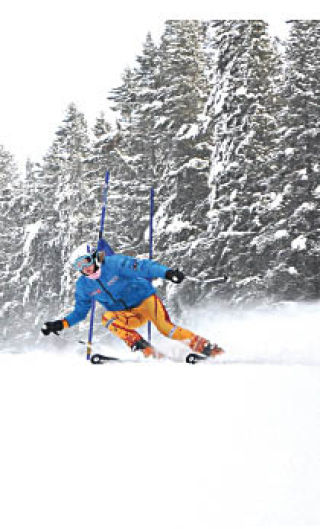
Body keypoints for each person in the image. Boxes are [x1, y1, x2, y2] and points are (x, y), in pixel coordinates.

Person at [41, 241, 224, 358]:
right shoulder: (84, 285)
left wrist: (166, 273)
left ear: (95, 257)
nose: (85, 268)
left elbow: (143, 267)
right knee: (107, 318)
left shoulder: (113, 264)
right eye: (79, 266)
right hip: (126, 314)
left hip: (145, 301)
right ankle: (146, 350)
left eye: (86, 261)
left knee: (165, 328)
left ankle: (205, 347)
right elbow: (80, 312)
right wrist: (60, 324)